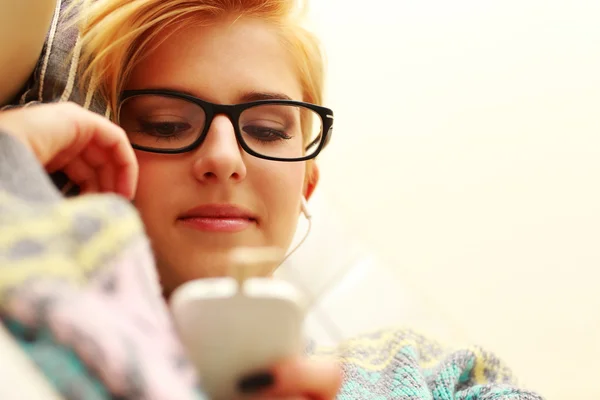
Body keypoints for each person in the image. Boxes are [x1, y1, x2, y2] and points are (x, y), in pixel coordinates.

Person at [0, 0, 545, 399]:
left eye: (264, 130)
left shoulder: (435, 380)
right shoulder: (33, 339)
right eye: (166, 126)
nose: (223, 158)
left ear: (306, 183)